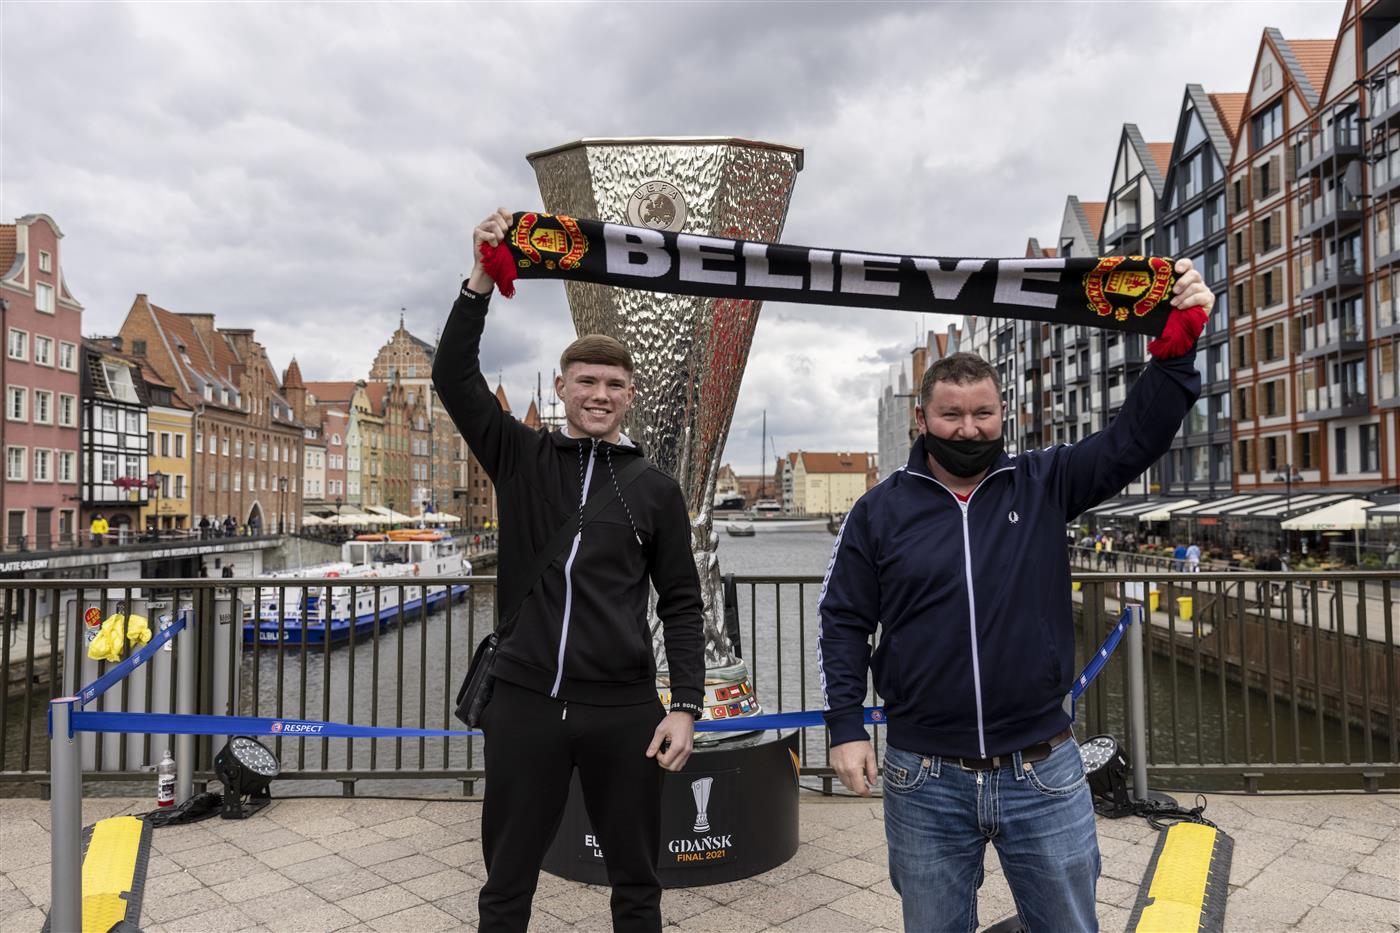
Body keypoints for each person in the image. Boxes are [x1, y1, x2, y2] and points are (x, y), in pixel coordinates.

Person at [817, 259, 1212, 932]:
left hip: (1043, 766)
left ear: (1005, 413)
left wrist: (1174, 355)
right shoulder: (878, 511)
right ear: (922, 416)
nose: (967, 429)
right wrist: (847, 726)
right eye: (950, 415)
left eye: (981, 413)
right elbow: (844, 620)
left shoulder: (1043, 481)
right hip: (923, 773)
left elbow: (1131, 441)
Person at [433, 207, 705, 933]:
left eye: (614, 384)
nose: (599, 395)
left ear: (630, 395)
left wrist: (685, 704)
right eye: (586, 381)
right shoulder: (522, 457)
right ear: (561, 387)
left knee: (637, 884)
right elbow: (452, 376)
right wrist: (481, 277)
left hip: (623, 709)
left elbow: (681, 601)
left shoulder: (654, 487)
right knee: (506, 882)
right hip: (525, 702)